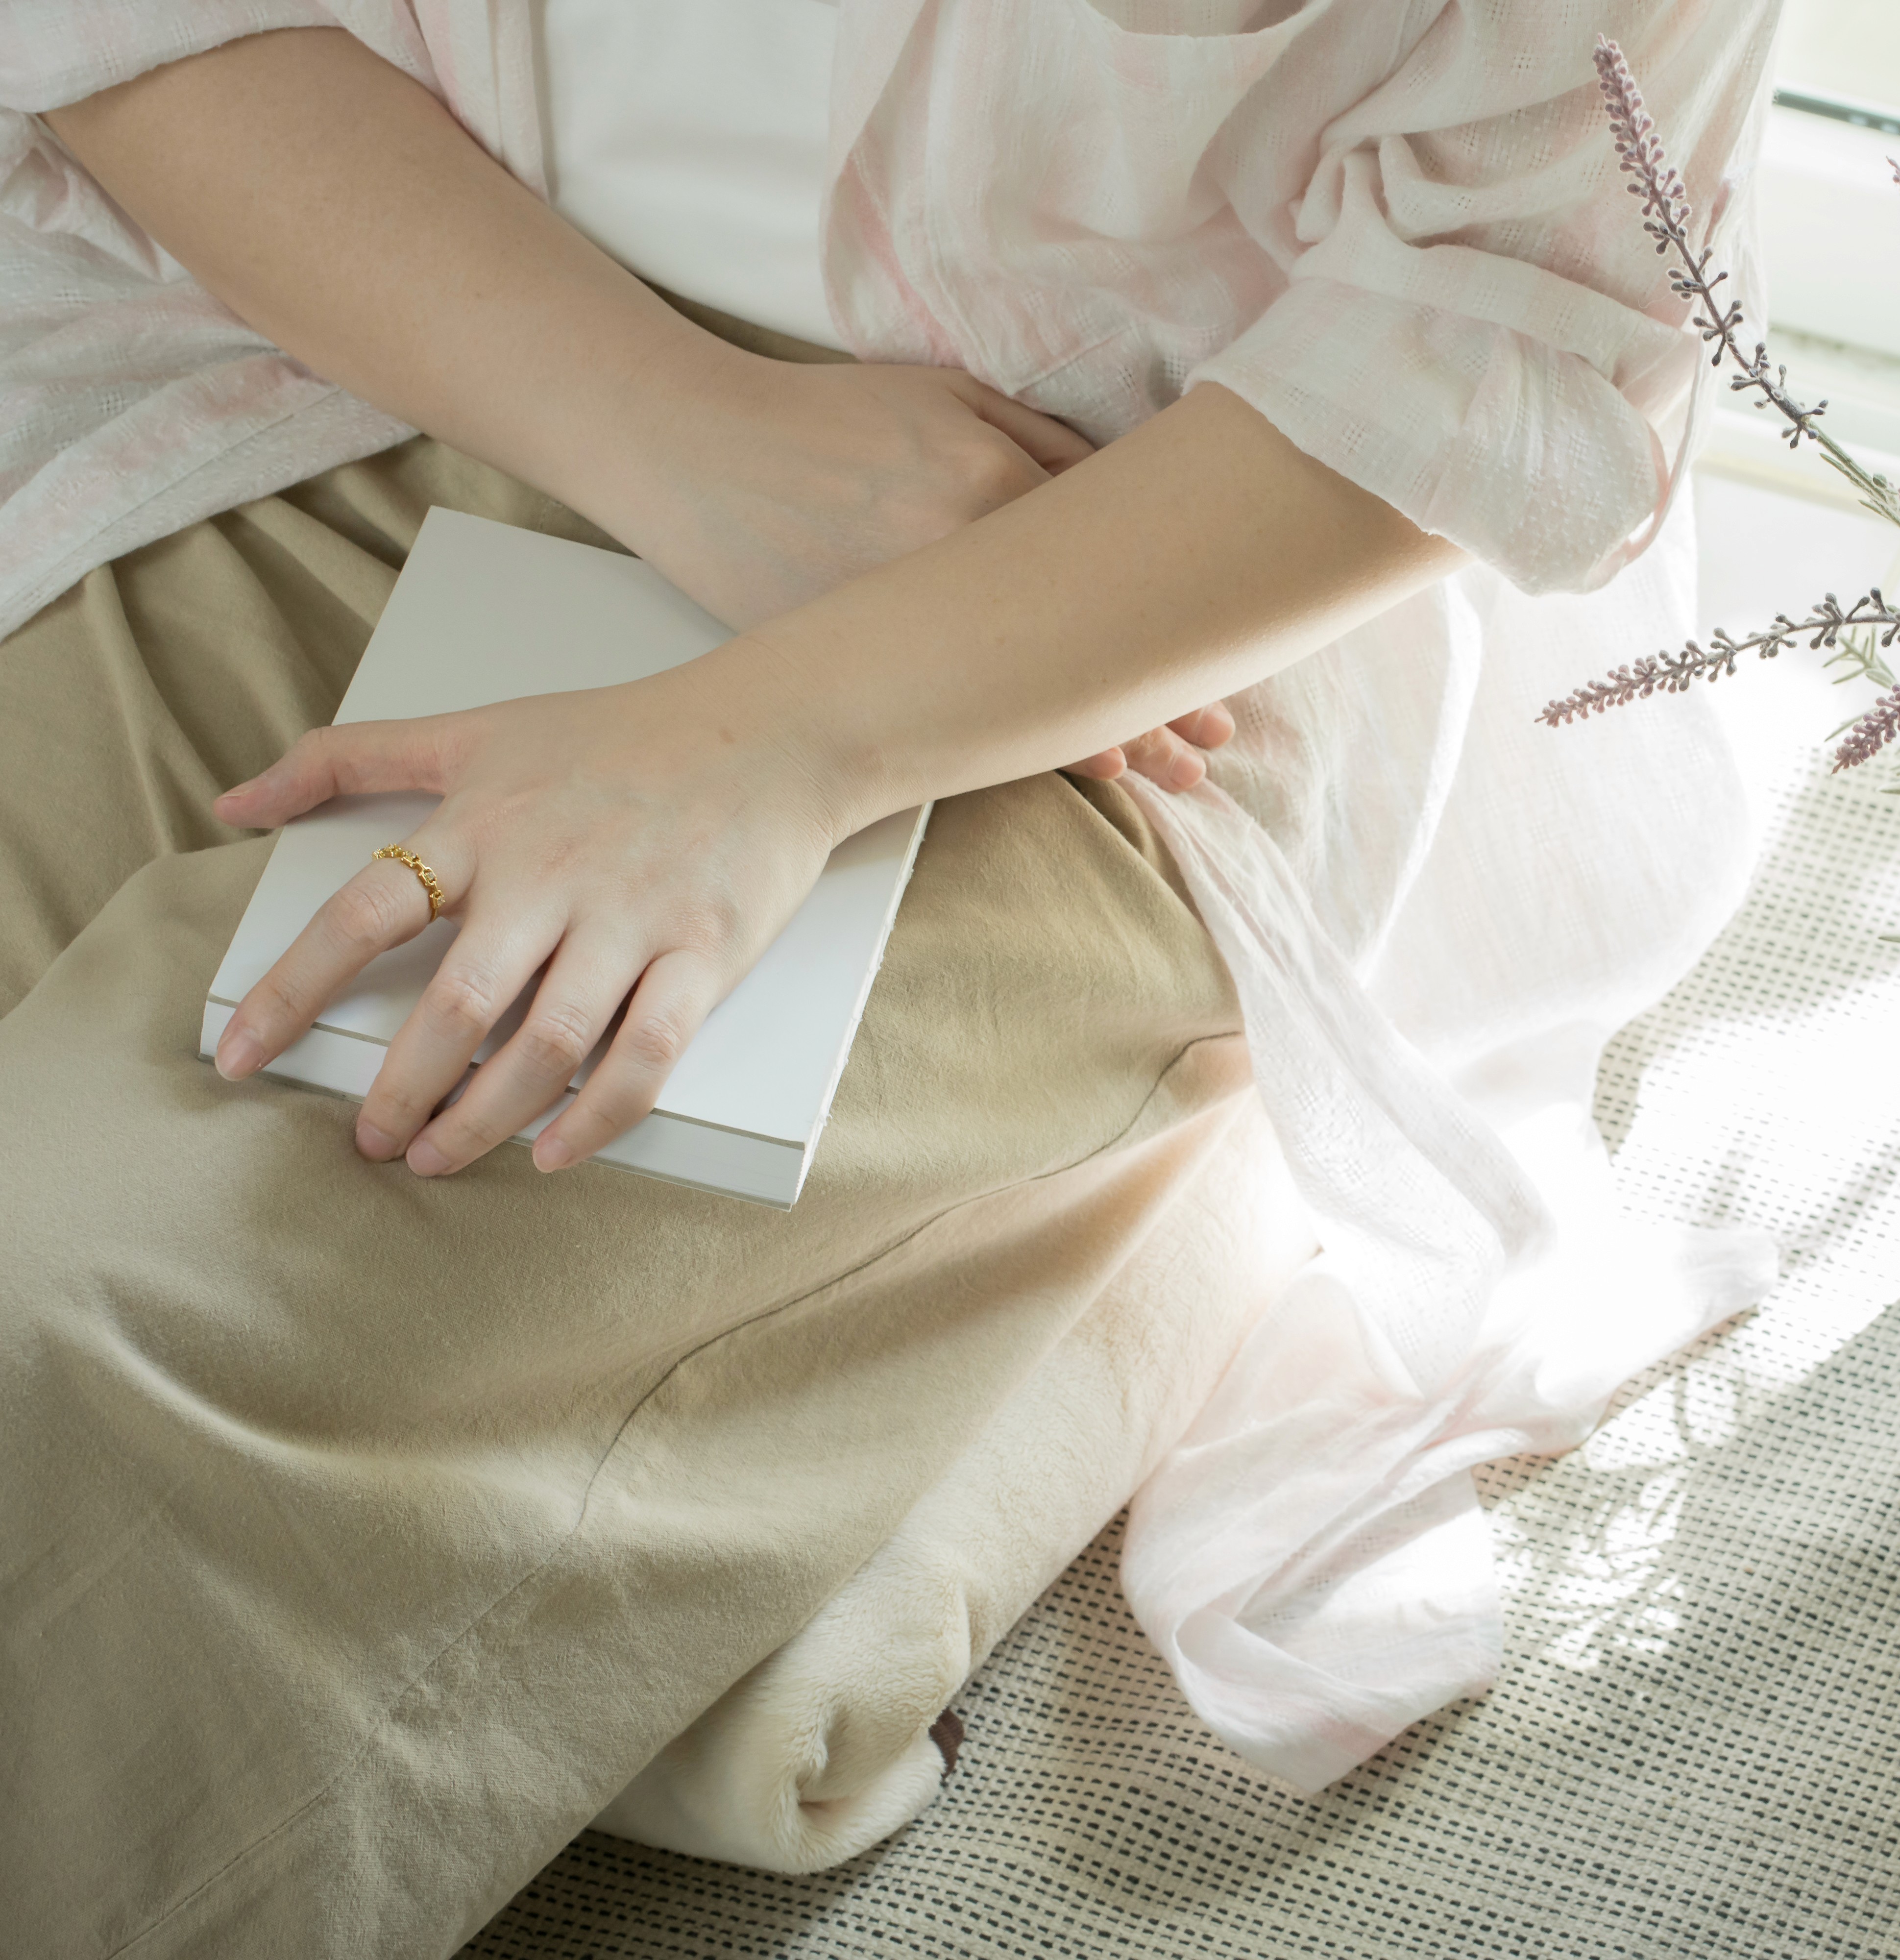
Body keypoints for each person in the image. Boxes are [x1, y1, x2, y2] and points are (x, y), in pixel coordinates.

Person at [0, 2, 1780, 1952]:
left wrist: (768, 747)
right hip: (342, 340)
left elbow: (1488, 328)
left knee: (80, 1329)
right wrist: (684, 438)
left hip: (1088, 604)